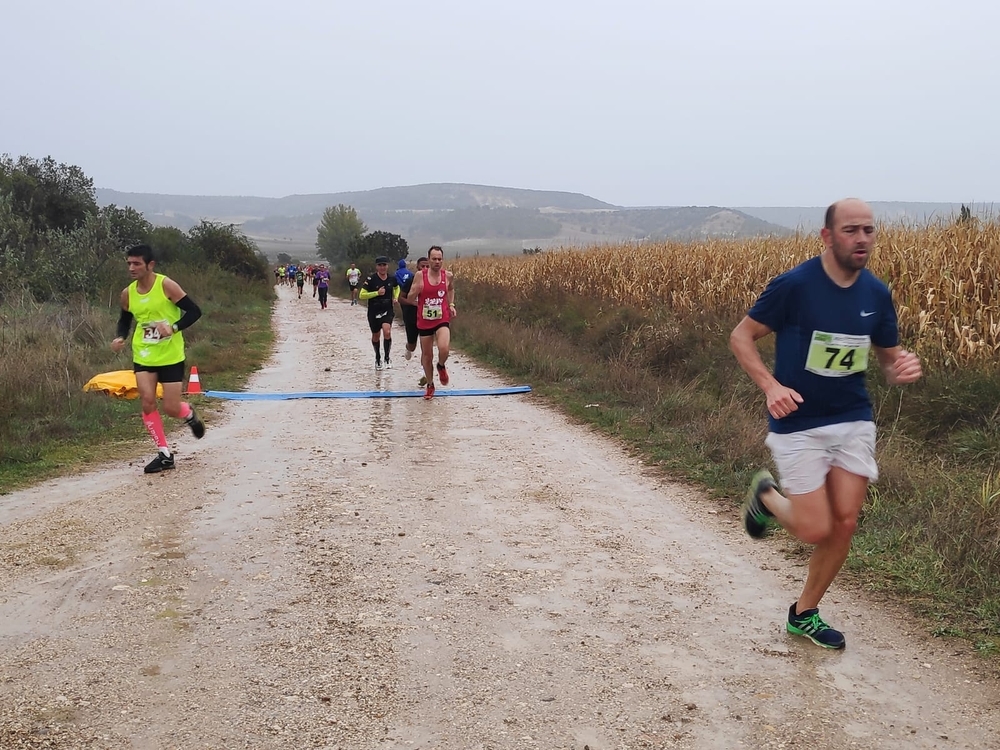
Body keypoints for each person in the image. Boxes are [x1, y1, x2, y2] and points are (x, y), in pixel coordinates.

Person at [729, 198, 922, 650]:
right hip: (798, 421)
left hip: (852, 418)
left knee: (846, 522)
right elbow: (741, 337)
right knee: (816, 529)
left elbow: (888, 359)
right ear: (827, 236)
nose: (861, 239)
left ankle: (804, 613)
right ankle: (766, 495)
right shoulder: (795, 286)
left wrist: (901, 368)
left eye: (869, 230)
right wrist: (771, 387)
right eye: (851, 230)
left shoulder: (876, 293)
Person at [111, 244, 206, 474]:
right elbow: (125, 319)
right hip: (144, 354)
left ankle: (189, 414)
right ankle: (164, 454)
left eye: (137, 264)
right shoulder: (128, 293)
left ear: (150, 265)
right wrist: (120, 337)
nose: (131, 268)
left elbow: (194, 311)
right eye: (129, 264)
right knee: (147, 400)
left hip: (170, 355)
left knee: (171, 407)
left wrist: (172, 328)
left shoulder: (166, 285)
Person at [405, 245, 455, 399]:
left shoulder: (448, 276)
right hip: (425, 320)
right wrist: (417, 290)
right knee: (427, 356)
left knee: (444, 348)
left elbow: (451, 289)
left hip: (441, 318)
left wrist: (451, 305)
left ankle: (441, 365)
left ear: (442, 260)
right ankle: (430, 384)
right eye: (434, 259)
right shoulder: (420, 275)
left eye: (439, 259)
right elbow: (410, 298)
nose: (437, 262)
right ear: (429, 260)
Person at [358, 255, 399, 370]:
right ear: (376, 267)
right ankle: (377, 358)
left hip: (387, 309)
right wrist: (376, 293)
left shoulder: (392, 278)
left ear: (387, 266)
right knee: (376, 336)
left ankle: (387, 357)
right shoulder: (371, 279)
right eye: (380, 265)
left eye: (384, 265)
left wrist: (395, 297)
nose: (382, 267)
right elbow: (362, 295)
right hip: (374, 309)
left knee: (387, 331)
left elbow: (397, 288)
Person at [397, 256, 429, 362]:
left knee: (426, 345)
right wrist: (413, 302)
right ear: (417, 267)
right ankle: (408, 348)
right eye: (422, 266)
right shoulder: (410, 280)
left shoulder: (433, 281)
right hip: (411, 316)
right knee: (412, 345)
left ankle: (425, 367)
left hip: (426, 316)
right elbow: (400, 298)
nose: (425, 268)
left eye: (427, 266)